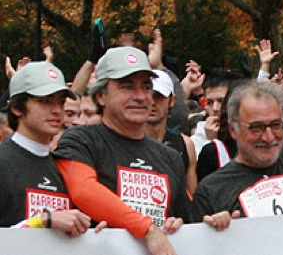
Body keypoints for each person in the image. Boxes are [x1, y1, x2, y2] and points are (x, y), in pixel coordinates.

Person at [192, 0, 283, 226]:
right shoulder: (211, 190)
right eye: (257, 127)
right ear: (233, 129)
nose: (269, 137)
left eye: (275, 125)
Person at [54, 46, 189, 255]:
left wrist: (179, 224)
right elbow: (83, 191)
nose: (141, 97)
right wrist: (148, 229)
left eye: (146, 87)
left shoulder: (169, 157)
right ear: (101, 97)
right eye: (127, 87)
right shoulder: (81, 140)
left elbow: (186, 220)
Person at [0, 61, 101, 236]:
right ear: (17, 107)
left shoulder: (68, 166)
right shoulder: (3, 162)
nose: (56, 111)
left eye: (61, 102)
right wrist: (43, 221)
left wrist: (96, 234)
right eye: (45, 101)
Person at [144, 69, 197, 195]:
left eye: (158, 96)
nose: (152, 102)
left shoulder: (185, 144)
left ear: (172, 101)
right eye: (148, 95)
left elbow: (192, 196)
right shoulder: (124, 141)